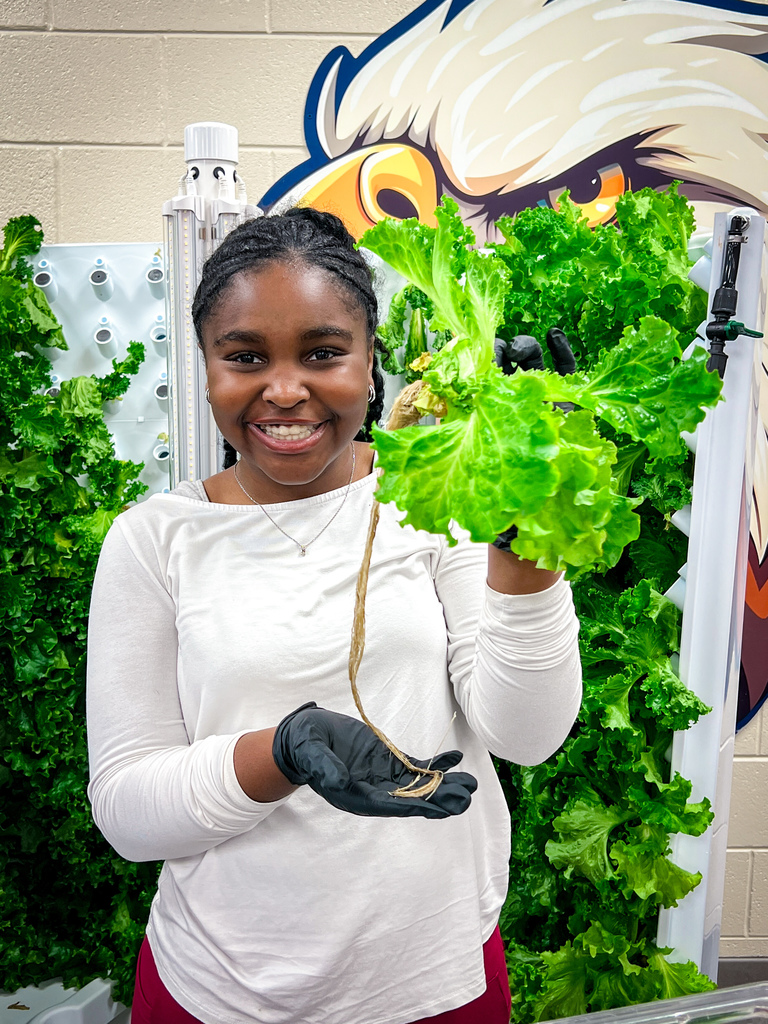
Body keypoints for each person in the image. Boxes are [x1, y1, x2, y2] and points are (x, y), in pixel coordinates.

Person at [86, 207, 582, 1024]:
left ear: (370, 361)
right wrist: (283, 752)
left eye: (322, 353)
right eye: (245, 357)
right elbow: (129, 813)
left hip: (434, 982)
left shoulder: (433, 497)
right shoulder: (154, 540)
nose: (285, 390)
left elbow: (527, 736)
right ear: (206, 368)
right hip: (220, 993)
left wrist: (533, 540)